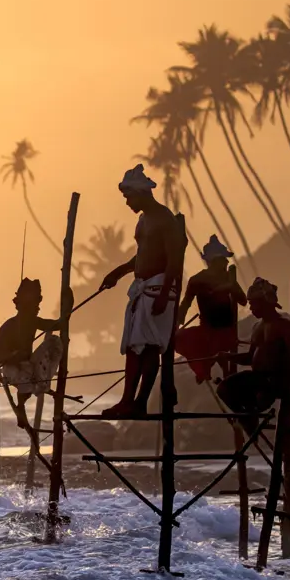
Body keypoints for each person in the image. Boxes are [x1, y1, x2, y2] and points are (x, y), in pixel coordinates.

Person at [97, 164, 185, 417]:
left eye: (128, 197)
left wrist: (164, 293)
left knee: (149, 348)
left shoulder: (164, 219)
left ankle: (139, 402)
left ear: (141, 193)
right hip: (143, 288)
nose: (127, 203)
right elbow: (142, 255)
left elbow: (174, 260)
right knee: (136, 347)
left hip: (159, 288)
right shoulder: (143, 220)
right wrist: (118, 272)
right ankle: (129, 400)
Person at [217, 277, 290, 433]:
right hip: (256, 378)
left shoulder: (284, 326)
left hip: (273, 380)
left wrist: (284, 383)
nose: (251, 308)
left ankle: (250, 415)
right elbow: (249, 358)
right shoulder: (257, 327)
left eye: (254, 303)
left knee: (255, 398)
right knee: (223, 389)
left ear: (266, 302)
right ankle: (248, 417)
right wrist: (228, 357)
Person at [174, 235, 246, 384]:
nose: (227, 262)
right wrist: (176, 324)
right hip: (206, 329)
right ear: (213, 262)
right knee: (178, 339)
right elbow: (186, 303)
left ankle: (224, 374)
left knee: (223, 352)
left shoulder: (228, 278)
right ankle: (203, 370)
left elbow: (243, 300)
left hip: (226, 330)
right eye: (223, 259)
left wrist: (231, 287)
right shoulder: (197, 280)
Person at [0, 278, 63, 430]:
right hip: (11, 370)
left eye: (37, 303)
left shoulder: (33, 321)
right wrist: (13, 356)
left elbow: (56, 325)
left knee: (54, 342)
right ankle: (21, 406)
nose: (37, 307)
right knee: (22, 377)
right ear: (20, 305)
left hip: (29, 367)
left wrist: (67, 311)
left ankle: (39, 384)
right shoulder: (8, 327)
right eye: (33, 304)